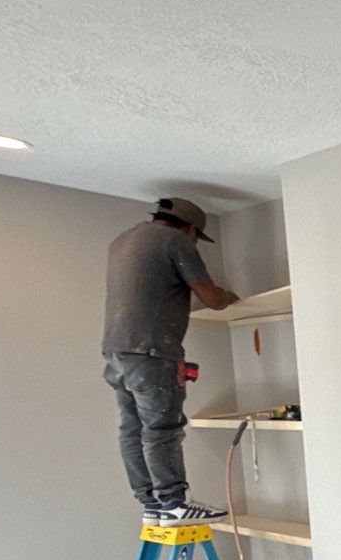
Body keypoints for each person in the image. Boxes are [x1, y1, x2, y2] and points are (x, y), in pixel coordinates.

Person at [102, 195, 241, 523]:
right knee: (162, 427)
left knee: (132, 427)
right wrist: (230, 297)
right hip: (152, 351)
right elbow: (211, 297)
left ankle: (151, 502)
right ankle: (175, 503)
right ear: (191, 228)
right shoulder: (176, 241)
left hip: (116, 352)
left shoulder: (121, 241)